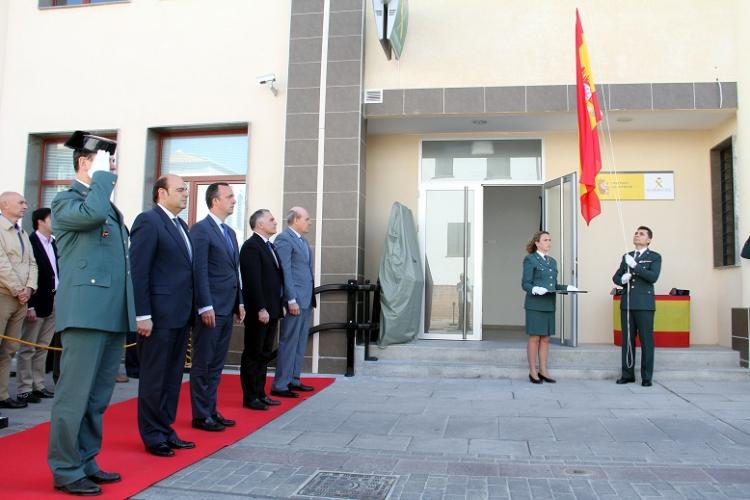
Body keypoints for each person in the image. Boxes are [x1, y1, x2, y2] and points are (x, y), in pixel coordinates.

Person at [47, 131, 136, 496]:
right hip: (84, 314)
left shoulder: (105, 205)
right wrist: (100, 177)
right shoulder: (65, 202)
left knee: (97, 397)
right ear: (86, 163)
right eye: (104, 161)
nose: (111, 169)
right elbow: (92, 213)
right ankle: (66, 469)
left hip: (111, 313)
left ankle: (86, 459)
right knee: (74, 395)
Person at [130, 174, 196, 457]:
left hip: (180, 315)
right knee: (155, 377)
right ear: (161, 193)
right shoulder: (148, 221)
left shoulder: (180, 224)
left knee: (172, 377)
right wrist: (142, 314)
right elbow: (139, 271)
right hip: (157, 315)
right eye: (180, 190)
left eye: (186, 190)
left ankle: (166, 429)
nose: (186, 194)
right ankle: (152, 435)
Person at [190, 183, 244, 431]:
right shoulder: (201, 230)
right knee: (204, 362)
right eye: (229, 196)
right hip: (210, 309)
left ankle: (211, 409)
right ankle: (201, 415)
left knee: (217, 363)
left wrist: (239, 301)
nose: (234, 200)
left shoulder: (230, 233)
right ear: (215, 201)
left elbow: (234, 270)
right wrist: (204, 305)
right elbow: (199, 270)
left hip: (227, 306)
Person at [239, 209, 286, 410]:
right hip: (260, 310)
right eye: (271, 219)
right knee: (253, 352)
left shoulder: (270, 247)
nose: (275, 222)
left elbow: (274, 280)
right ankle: (250, 397)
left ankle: (260, 393)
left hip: (272, 309)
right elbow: (252, 281)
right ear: (259, 224)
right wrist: (260, 308)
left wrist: (278, 306)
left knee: (265, 353)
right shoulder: (251, 247)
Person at [271, 207, 316, 396]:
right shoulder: (284, 239)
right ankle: (280, 384)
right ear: (296, 219)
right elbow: (285, 272)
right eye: (307, 218)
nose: (309, 222)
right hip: (295, 300)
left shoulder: (303, 241)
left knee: (300, 341)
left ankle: (294, 379)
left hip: (306, 299)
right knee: (289, 341)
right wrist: (290, 299)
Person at [521, 231, 575, 384]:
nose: (548, 242)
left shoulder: (552, 261)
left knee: (545, 338)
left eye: (550, 240)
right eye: (545, 240)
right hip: (535, 304)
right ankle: (532, 370)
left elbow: (553, 285)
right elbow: (525, 283)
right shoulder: (530, 259)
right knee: (534, 338)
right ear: (537, 243)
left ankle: (543, 370)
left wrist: (567, 287)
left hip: (549, 303)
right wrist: (535, 289)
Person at [0, 191, 37, 411]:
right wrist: (17, 288)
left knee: (10, 349)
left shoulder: (22, 232)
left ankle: (2, 394)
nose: (25, 205)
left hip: (21, 298)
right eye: (20, 202)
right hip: (4, 295)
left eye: (25, 201)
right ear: (4, 205)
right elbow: (1, 263)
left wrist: (29, 288)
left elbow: (32, 262)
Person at [17, 208, 58, 404]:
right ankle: (25, 388)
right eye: (52, 218)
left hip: (53, 301)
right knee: (28, 347)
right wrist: (30, 305)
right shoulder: (31, 242)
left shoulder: (53, 243)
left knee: (43, 346)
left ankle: (39, 384)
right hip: (37, 301)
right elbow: (28, 273)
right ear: (40, 221)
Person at [613, 226, 662, 387]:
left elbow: (652, 277)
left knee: (647, 341)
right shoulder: (627, 256)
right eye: (636, 233)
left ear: (648, 239)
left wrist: (635, 266)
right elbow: (616, 277)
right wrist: (622, 279)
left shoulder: (654, 257)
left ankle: (646, 377)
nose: (637, 235)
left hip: (644, 305)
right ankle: (627, 374)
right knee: (627, 341)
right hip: (628, 304)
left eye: (641, 234)